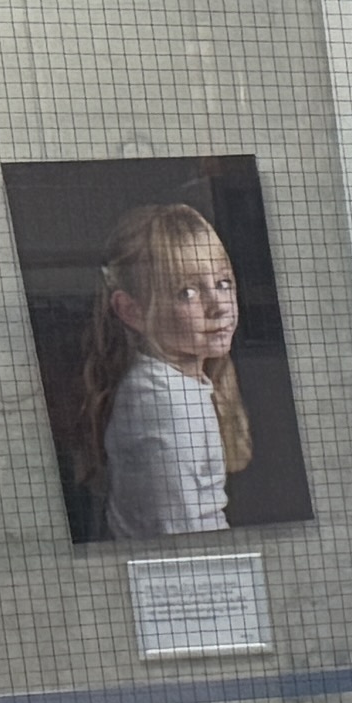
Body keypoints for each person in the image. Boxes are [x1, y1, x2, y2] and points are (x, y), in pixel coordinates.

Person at [75, 199, 252, 539]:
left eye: (223, 283)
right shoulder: (165, 405)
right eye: (187, 292)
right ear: (132, 311)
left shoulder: (175, 386)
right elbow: (178, 537)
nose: (218, 306)